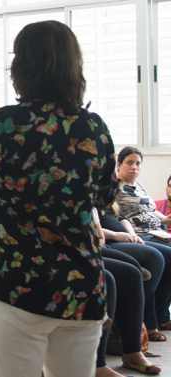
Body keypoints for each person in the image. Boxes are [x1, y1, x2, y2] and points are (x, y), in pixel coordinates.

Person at [0, 21, 118, 377]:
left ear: (21, 66)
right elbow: (106, 195)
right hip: (80, 282)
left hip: (17, 283)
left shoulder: (5, 123)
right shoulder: (94, 127)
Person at [93, 210, 162, 376]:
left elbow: (99, 236)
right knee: (106, 278)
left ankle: (132, 351)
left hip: (91, 249)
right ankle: (97, 364)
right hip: (58, 255)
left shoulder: (86, 198)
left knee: (131, 273)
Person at [98, 201, 171, 341]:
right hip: (110, 241)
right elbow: (91, 228)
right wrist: (114, 235)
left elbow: (123, 218)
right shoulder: (88, 200)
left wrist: (132, 234)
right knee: (153, 257)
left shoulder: (107, 201)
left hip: (124, 238)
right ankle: (147, 322)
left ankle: (160, 314)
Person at [116, 146, 171, 238]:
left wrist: (164, 219)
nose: (134, 167)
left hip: (157, 232)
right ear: (119, 165)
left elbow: (149, 209)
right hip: (139, 234)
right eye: (129, 163)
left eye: (138, 163)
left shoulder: (137, 185)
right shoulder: (114, 187)